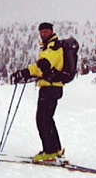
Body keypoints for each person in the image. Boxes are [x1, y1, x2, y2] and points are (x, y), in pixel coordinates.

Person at [11, 22, 72, 162]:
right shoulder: (50, 47)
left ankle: (49, 152)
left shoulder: (54, 47)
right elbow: (45, 68)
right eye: (42, 32)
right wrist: (30, 74)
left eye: (46, 31)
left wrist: (25, 72)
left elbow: (43, 65)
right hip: (52, 87)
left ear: (51, 31)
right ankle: (55, 149)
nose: (44, 34)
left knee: (42, 119)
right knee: (47, 119)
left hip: (50, 88)